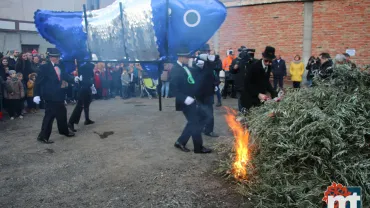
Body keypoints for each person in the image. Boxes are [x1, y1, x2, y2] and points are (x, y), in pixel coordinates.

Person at [33, 48, 79, 144]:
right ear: (50, 57)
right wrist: (36, 95)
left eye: (58, 56)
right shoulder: (44, 67)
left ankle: (63, 131)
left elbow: (65, 76)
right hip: (50, 95)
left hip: (59, 94)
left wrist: (74, 79)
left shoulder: (60, 65)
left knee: (61, 113)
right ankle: (43, 136)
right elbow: (38, 82)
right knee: (50, 115)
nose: (58, 58)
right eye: (55, 57)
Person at [170, 49, 212, 154]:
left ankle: (180, 142)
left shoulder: (185, 67)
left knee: (194, 121)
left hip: (192, 100)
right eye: (186, 57)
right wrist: (184, 98)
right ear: (180, 57)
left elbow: (194, 75)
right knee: (195, 123)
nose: (188, 59)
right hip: (184, 101)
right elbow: (173, 89)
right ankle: (198, 148)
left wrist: (202, 66)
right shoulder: (175, 69)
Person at [241, 46, 278, 112]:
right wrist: (258, 94)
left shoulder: (268, 67)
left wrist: (274, 94)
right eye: (266, 61)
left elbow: (266, 81)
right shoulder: (254, 66)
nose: (268, 63)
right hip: (249, 97)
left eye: (270, 61)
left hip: (260, 99)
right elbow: (247, 83)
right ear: (263, 57)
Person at [68, 62, 96, 132]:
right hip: (84, 90)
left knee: (86, 105)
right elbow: (87, 81)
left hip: (85, 90)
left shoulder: (84, 71)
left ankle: (87, 119)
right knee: (80, 107)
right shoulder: (87, 72)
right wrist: (92, 86)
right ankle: (71, 122)